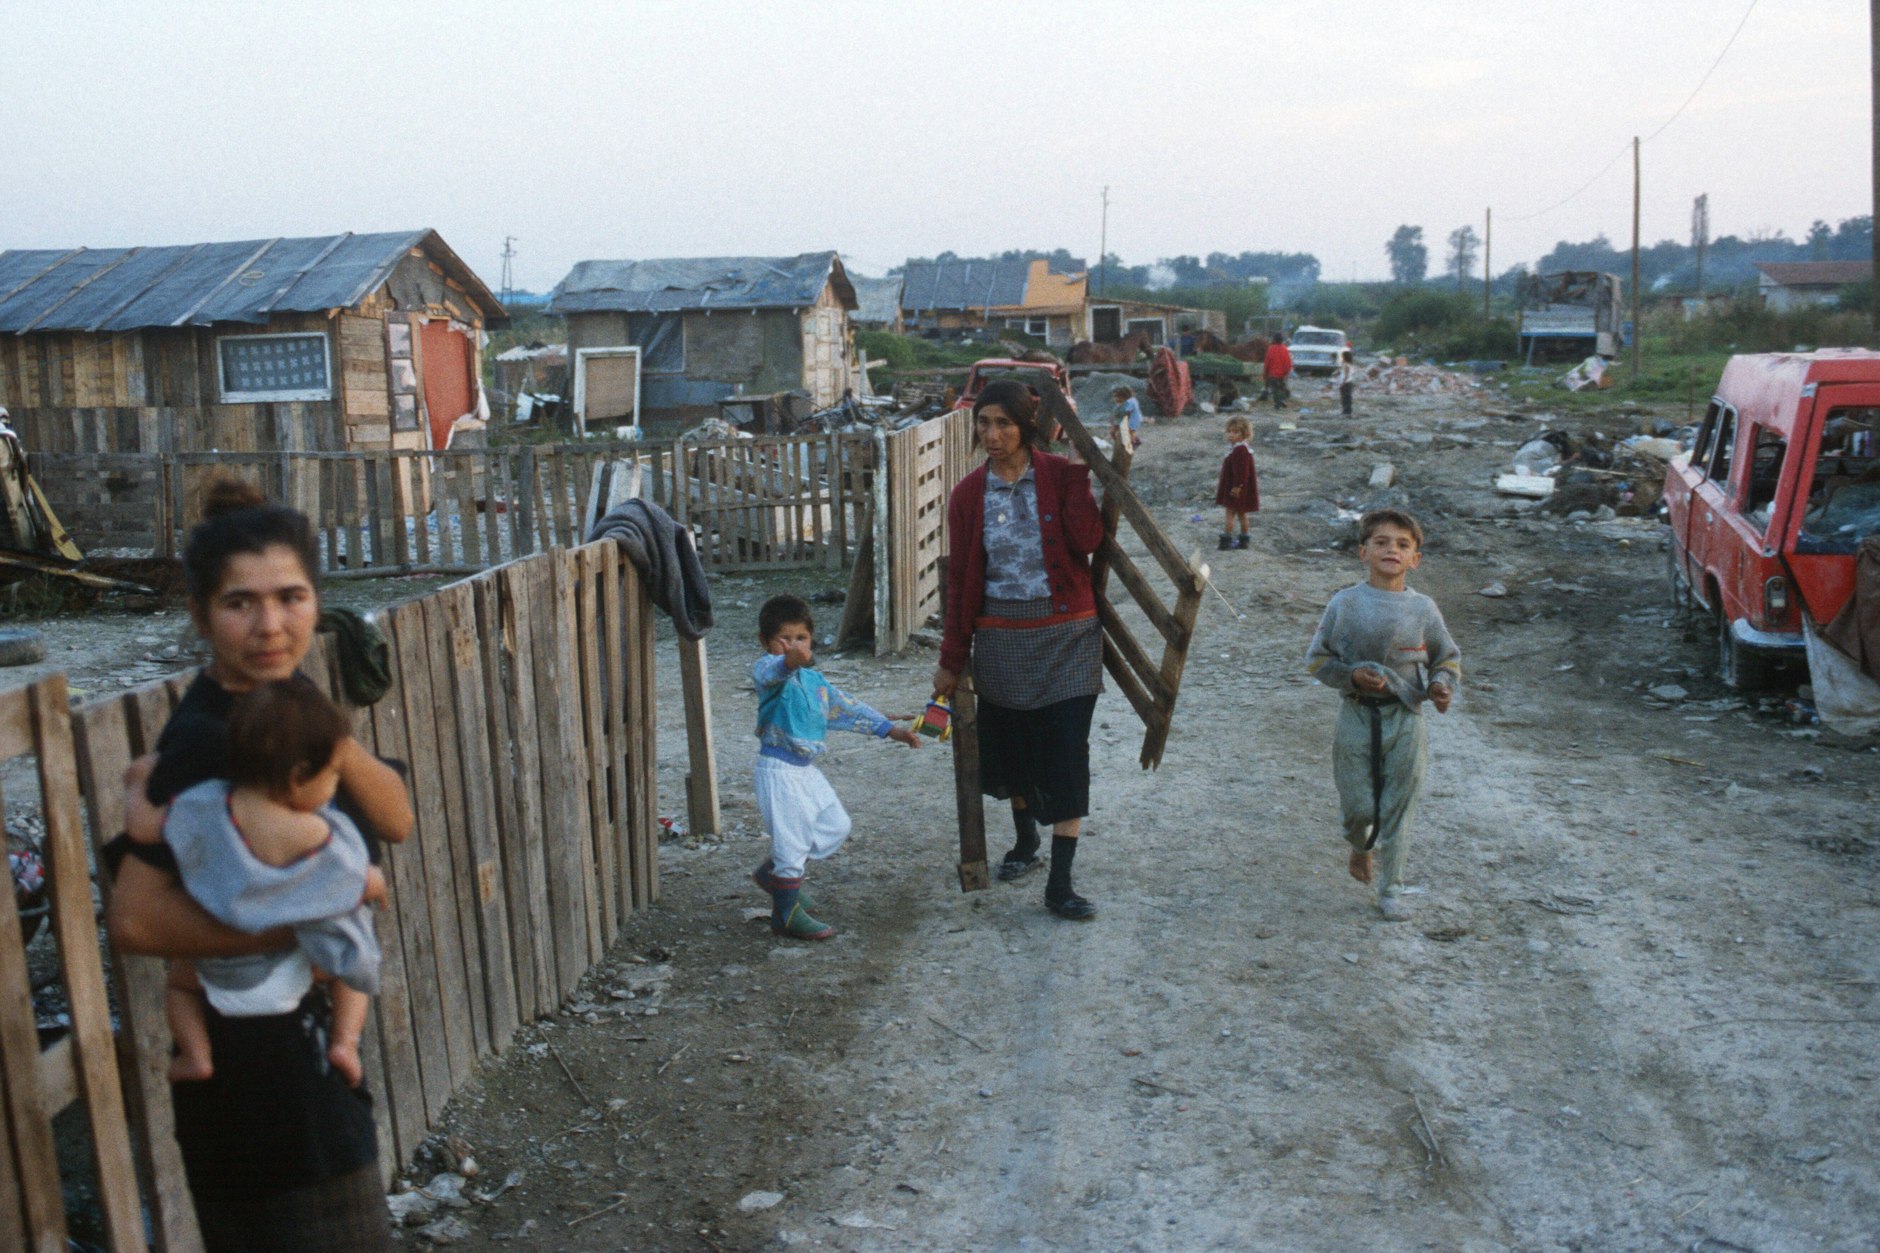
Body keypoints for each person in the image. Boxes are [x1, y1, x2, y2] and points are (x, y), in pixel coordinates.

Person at [105, 479, 413, 1251]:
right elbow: (137, 920)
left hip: (307, 1071)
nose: (271, 624)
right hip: (257, 1100)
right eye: (241, 602)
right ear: (202, 613)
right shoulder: (205, 740)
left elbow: (397, 818)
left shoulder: (288, 699)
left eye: (292, 596)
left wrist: (332, 739)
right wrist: (307, 931)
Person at [141, 680, 384, 1090]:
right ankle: (345, 1042)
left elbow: (147, 826)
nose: (332, 788)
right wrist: (375, 884)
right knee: (347, 961)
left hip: (215, 975)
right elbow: (354, 879)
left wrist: (137, 785)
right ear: (297, 778)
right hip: (291, 972)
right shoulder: (312, 831)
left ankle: (196, 1055)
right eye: (331, 776)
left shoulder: (206, 807)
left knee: (177, 985)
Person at [936, 379, 1105, 920]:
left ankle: (1060, 881)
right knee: (1013, 749)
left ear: (1025, 426)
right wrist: (951, 657)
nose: (993, 434)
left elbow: (1088, 541)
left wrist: (1079, 473)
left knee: (1065, 750)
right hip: (1003, 639)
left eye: (1003, 423)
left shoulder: (1059, 476)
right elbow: (962, 579)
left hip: (1067, 636)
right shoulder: (967, 495)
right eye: (984, 423)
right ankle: (1026, 842)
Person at [1305, 509, 1460, 922]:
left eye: (1403, 544)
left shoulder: (1423, 609)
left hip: (1405, 718)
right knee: (1360, 807)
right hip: (1356, 716)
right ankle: (1360, 844)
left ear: (1416, 559)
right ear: (1363, 552)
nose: (1392, 549)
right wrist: (1352, 675)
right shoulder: (1346, 603)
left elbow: (1446, 658)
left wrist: (1442, 686)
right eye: (1381, 542)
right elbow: (1317, 660)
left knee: (1398, 806)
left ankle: (1392, 887)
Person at [751, 594, 921, 940]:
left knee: (835, 825)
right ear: (766, 642)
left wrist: (892, 730)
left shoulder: (816, 683)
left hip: (804, 769)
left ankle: (775, 875)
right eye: (784, 639)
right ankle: (785, 913)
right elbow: (774, 670)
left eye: (801, 638)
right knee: (793, 842)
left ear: (811, 639)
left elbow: (846, 707)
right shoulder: (767, 670)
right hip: (779, 771)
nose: (794, 646)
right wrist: (788, 661)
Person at [1214, 416, 1260, 550]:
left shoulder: (1240, 450)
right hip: (1240, 487)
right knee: (1242, 514)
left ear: (1245, 434)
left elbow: (1242, 472)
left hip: (1235, 488)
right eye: (1229, 432)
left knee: (1230, 513)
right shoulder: (1239, 448)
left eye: (1236, 432)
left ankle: (1226, 540)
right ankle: (1244, 540)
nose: (1231, 435)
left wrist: (1237, 487)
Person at [1262, 334, 1293, 409]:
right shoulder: (1285, 349)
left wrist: (1265, 373)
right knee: (1281, 388)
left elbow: (1267, 362)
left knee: (1275, 389)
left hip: (1272, 375)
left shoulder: (1271, 349)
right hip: (1282, 375)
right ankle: (1281, 401)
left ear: (1274, 340)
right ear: (1282, 340)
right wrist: (1286, 373)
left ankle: (1278, 403)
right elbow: (1288, 362)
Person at [1110, 385, 1144, 452]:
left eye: (1118, 397)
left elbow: (1127, 413)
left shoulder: (1130, 402)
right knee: (1112, 432)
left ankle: (1133, 443)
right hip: (1121, 420)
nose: (1116, 399)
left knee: (1130, 432)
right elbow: (1115, 413)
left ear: (1124, 397)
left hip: (1132, 420)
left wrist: (1123, 424)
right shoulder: (1120, 403)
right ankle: (1119, 443)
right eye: (1115, 397)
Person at [1335, 349, 1359, 418]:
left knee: (1345, 398)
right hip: (1348, 383)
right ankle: (1347, 412)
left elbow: (1346, 375)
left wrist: (1342, 383)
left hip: (1346, 383)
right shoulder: (1349, 364)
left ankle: (1346, 412)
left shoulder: (1346, 365)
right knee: (1347, 398)